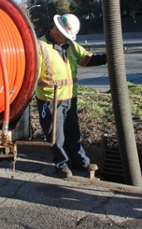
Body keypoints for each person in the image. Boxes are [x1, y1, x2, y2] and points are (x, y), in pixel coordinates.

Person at [36, 14, 107, 179]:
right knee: (56, 135)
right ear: (56, 30)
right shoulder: (40, 47)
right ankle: (62, 165)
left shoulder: (70, 45)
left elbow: (86, 59)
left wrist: (106, 57)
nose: (66, 39)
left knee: (73, 132)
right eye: (65, 35)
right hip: (50, 100)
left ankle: (80, 161)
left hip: (70, 97)